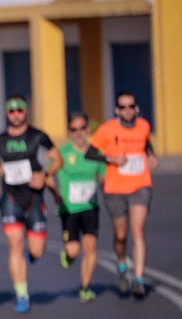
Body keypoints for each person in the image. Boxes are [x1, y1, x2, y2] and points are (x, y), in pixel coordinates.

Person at [0, 95, 62, 313]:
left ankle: (30, 258)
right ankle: (22, 295)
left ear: (26, 111)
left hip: (34, 197)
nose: (16, 115)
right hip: (11, 197)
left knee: (37, 251)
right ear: (6, 113)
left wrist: (45, 174)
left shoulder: (38, 136)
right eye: (11, 111)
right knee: (15, 244)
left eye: (19, 110)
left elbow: (58, 159)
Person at [89, 92, 157, 298]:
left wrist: (151, 155)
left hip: (140, 185)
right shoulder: (107, 129)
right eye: (123, 107)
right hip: (115, 189)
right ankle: (121, 264)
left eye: (131, 106)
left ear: (136, 108)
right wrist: (111, 159)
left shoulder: (144, 126)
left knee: (138, 230)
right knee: (121, 235)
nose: (127, 110)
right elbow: (90, 153)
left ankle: (138, 280)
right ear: (116, 110)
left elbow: (146, 143)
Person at [56, 112, 104, 301]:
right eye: (74, 129)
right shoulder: (63, 152)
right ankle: (68, 254)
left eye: (82, 128)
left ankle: (85, 287)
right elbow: (48, 172)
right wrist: (55, 193)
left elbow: (103, 177)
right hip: (69, 208)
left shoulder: (96, 152)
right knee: (74, 250)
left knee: (90, 248)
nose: (79, 133)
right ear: (70, 132)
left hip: (90, 206)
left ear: (88, 129)